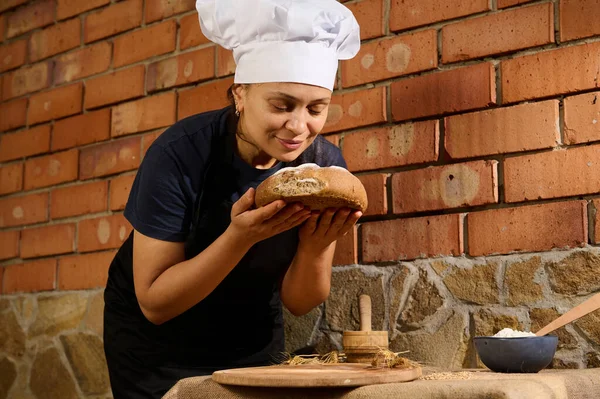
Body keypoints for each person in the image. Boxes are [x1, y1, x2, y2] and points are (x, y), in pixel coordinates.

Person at [103, 0, 362, 397]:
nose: (298, 126)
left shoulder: (324, 169)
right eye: (281, 105)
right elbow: (155, 303)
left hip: (251, 337)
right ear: (241, 94)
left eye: (316, 108)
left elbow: (299, 303)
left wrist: (315, 247)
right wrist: (239, 237)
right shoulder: (180, 154)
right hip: (157, 349)